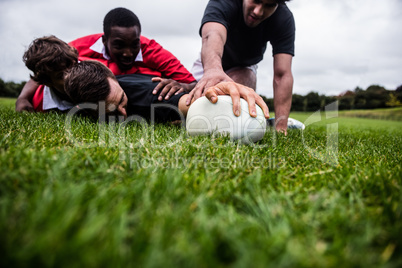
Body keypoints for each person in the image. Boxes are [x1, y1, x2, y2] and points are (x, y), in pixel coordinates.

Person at [15, 7, 196, 112]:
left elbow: (192, 82)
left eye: (134, 44)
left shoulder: (153, 51)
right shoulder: (81, 48)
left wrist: (184, 86)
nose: (128, 52)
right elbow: (46, 64)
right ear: (104, 41)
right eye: (119, 45)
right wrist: (23, 98)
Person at [188, 0, 295, 134]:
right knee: (188, 102)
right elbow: (212, 34)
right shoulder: (225, 2)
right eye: (256, 1)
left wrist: (281, 127)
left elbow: (282, 74)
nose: (258, 11)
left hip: (244, 67)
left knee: (244, 79)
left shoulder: (283, 19)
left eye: (269, 5)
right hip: (210, 61)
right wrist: (212, 70)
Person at [64, 60, 252, 124]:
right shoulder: (79, 100)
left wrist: (219, 94)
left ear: (113, 77)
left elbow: (194, 104)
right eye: (111, 112)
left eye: (122, 100)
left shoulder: (152, 97)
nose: (123, 113)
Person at [18, 35, 78, 112]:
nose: (73, 76)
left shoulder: (93, 65)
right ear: (47, 82)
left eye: (74, 68)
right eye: (61, 75)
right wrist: (22, 99)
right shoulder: (39, 106)